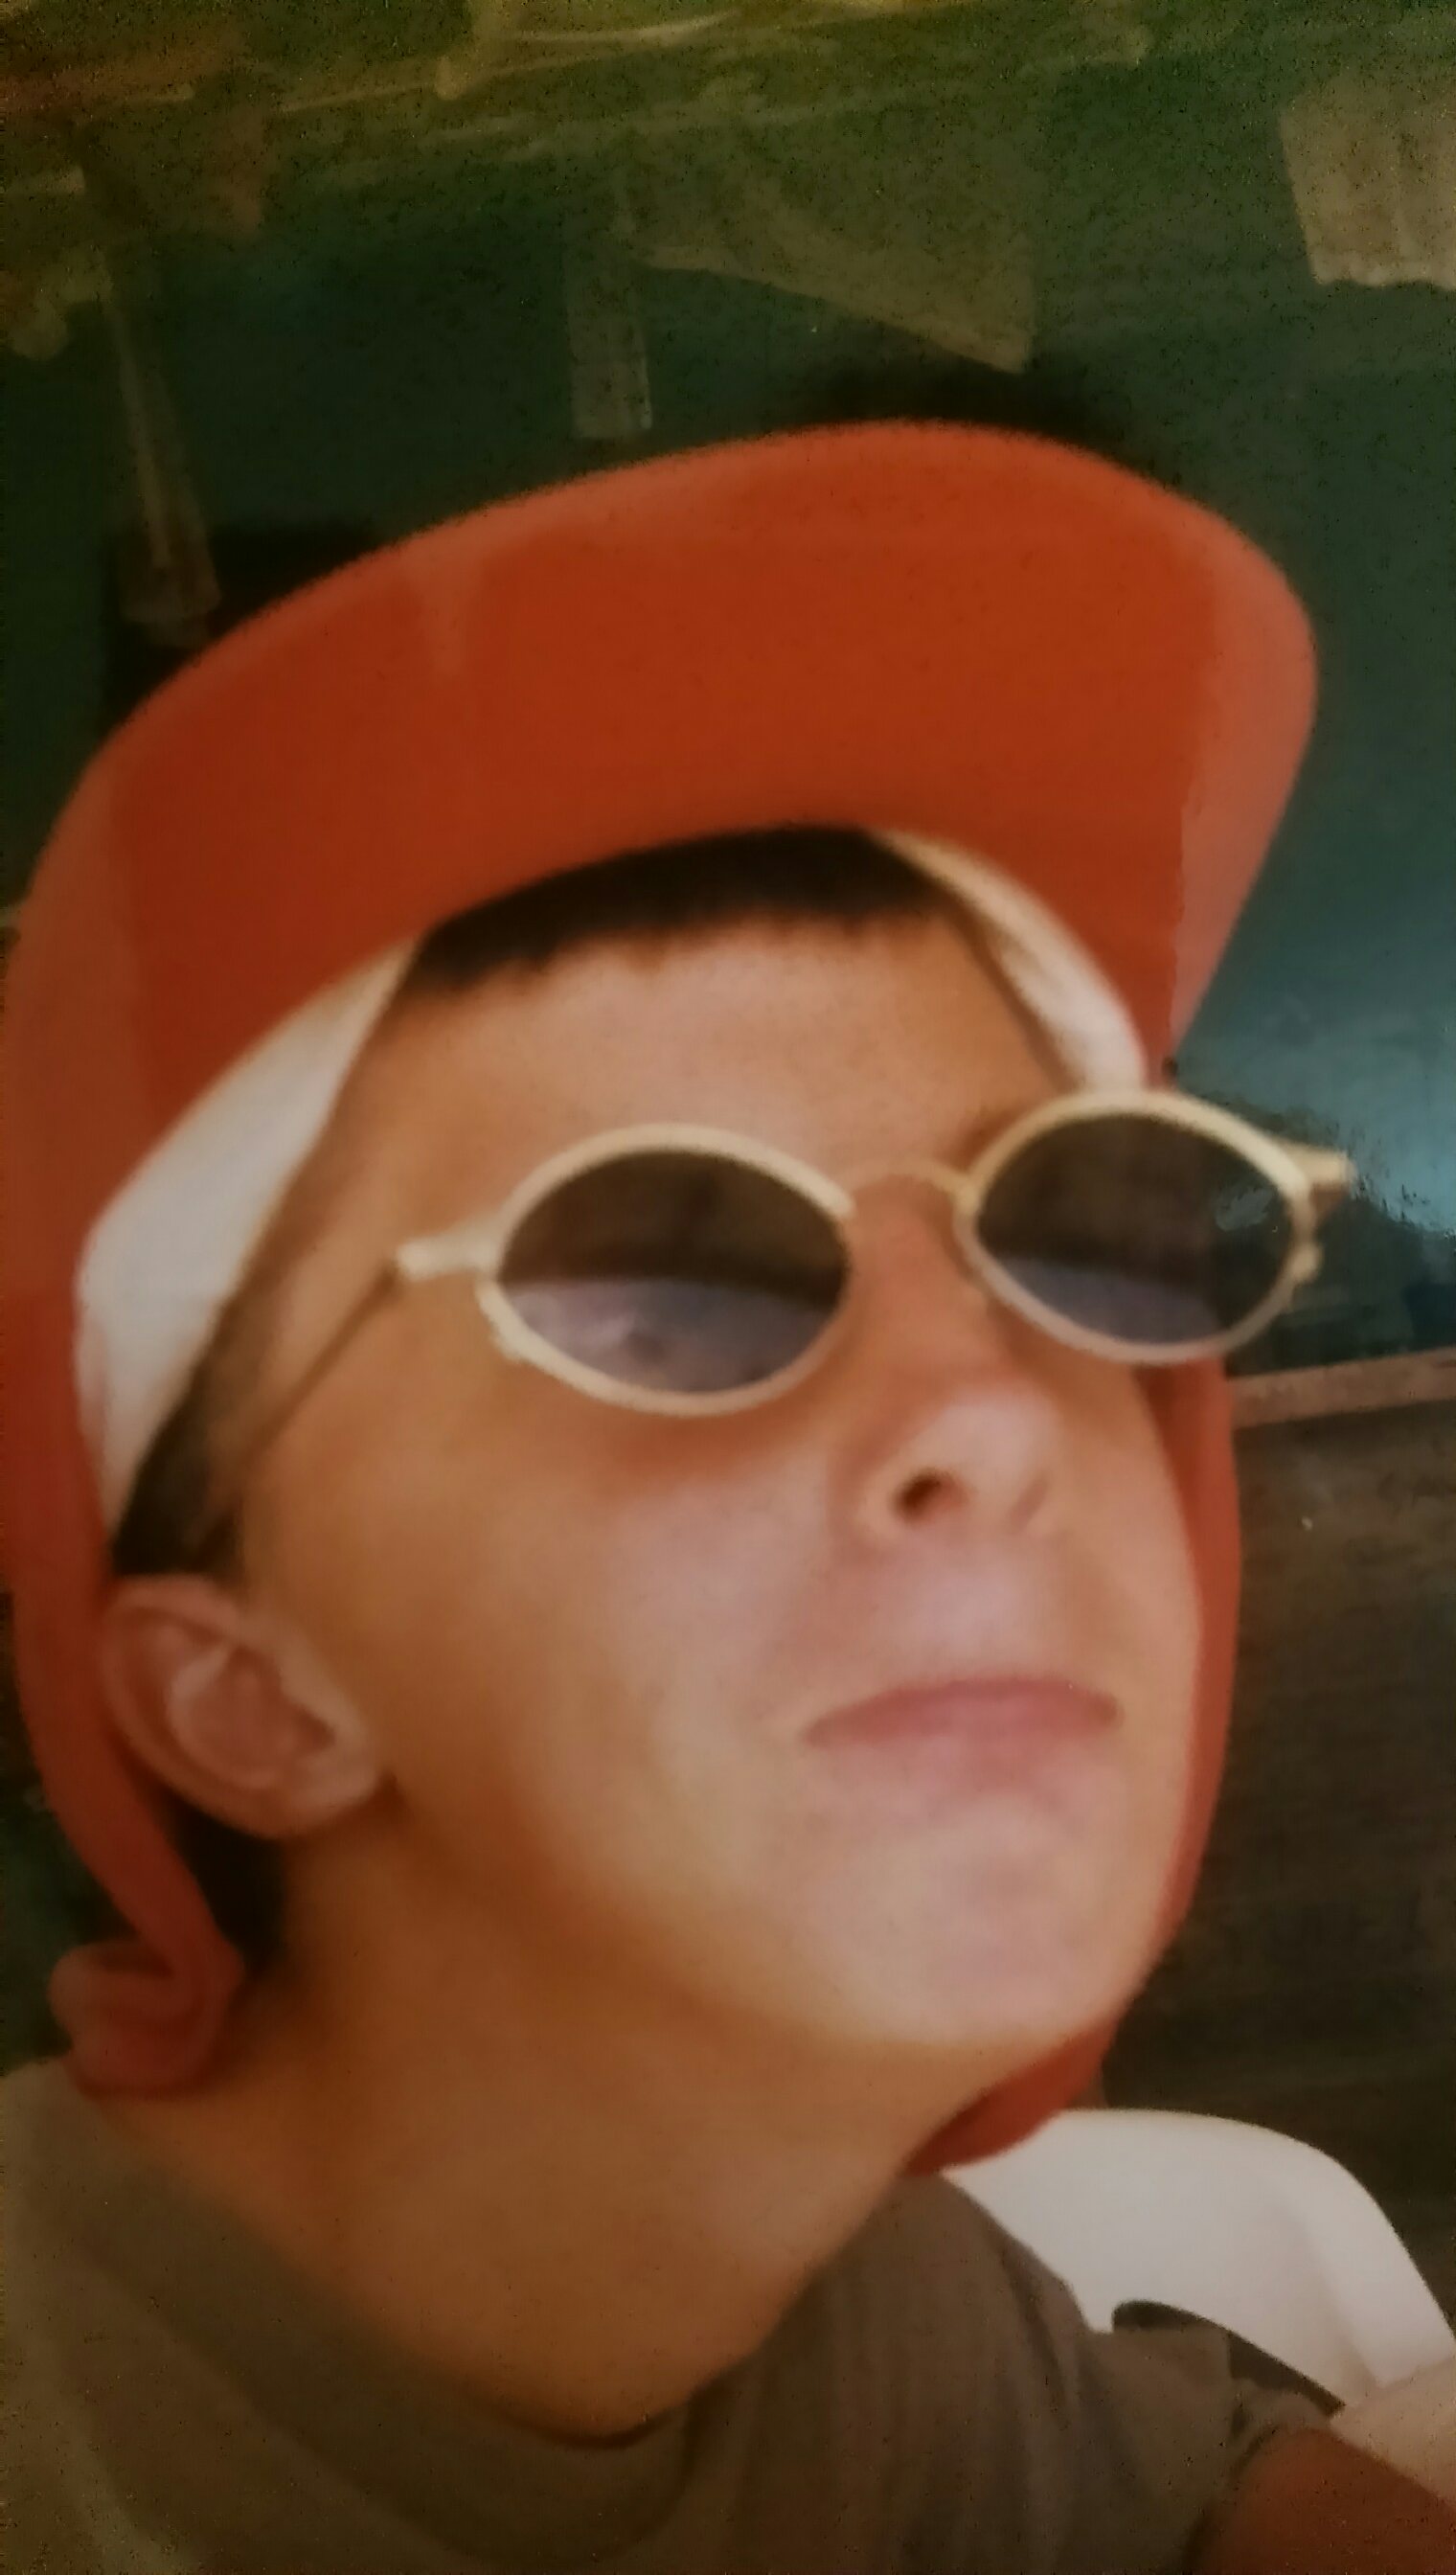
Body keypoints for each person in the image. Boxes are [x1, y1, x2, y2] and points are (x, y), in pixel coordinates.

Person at [2, 423, 1452, 2574]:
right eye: (667, 1278)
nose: (998, 1413)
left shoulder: (844, 2305)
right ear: (249, 1698)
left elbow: (1207, 2483)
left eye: (1081, 1225)